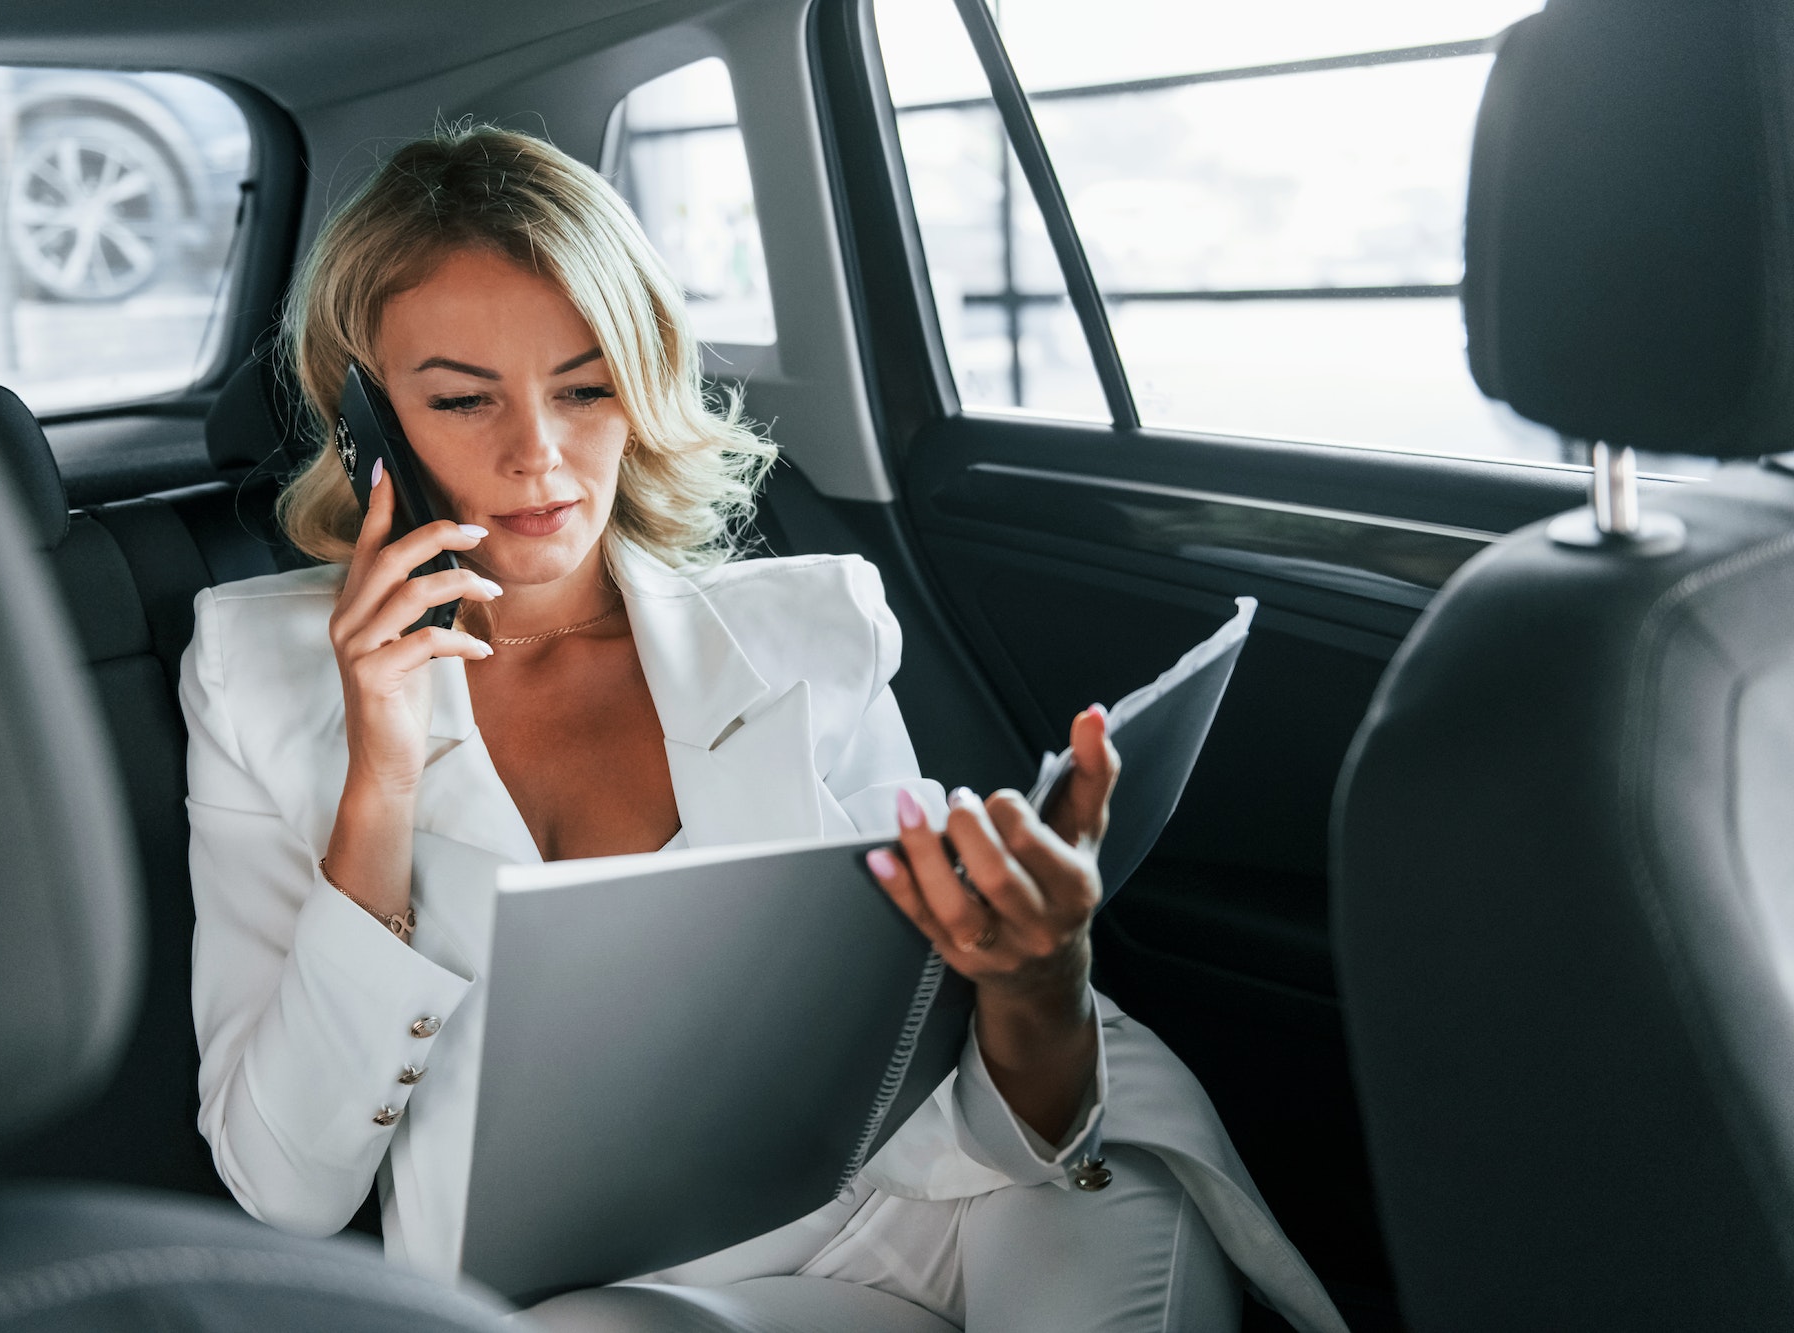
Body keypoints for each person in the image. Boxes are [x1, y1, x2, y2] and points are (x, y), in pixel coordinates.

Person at [180, 123, 1346, 1333]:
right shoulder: (257, 676)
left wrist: (1037, 977)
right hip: (621, 1288)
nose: (539, 456)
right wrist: (378, 771)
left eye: (585, 388)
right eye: (463, 400)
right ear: (362, 416)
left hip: (966, 1190)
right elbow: (287, 1191)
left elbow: (990, 1109)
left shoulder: (813, 622)